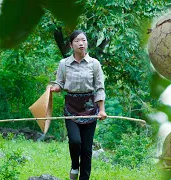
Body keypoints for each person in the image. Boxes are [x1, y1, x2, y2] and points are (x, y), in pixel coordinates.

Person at [50, 30, 107, 180]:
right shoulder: (64, 64)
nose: (81, 43)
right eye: (77, 41)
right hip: (71, 108)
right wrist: (54, 88)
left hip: (90, 109)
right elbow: (59, 83)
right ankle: (75, 165)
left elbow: (100, 88)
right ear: (71, 45)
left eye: (84, 40)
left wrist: (101, 110)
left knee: (87, 149)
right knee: (75, 141)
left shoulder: (94, 64)